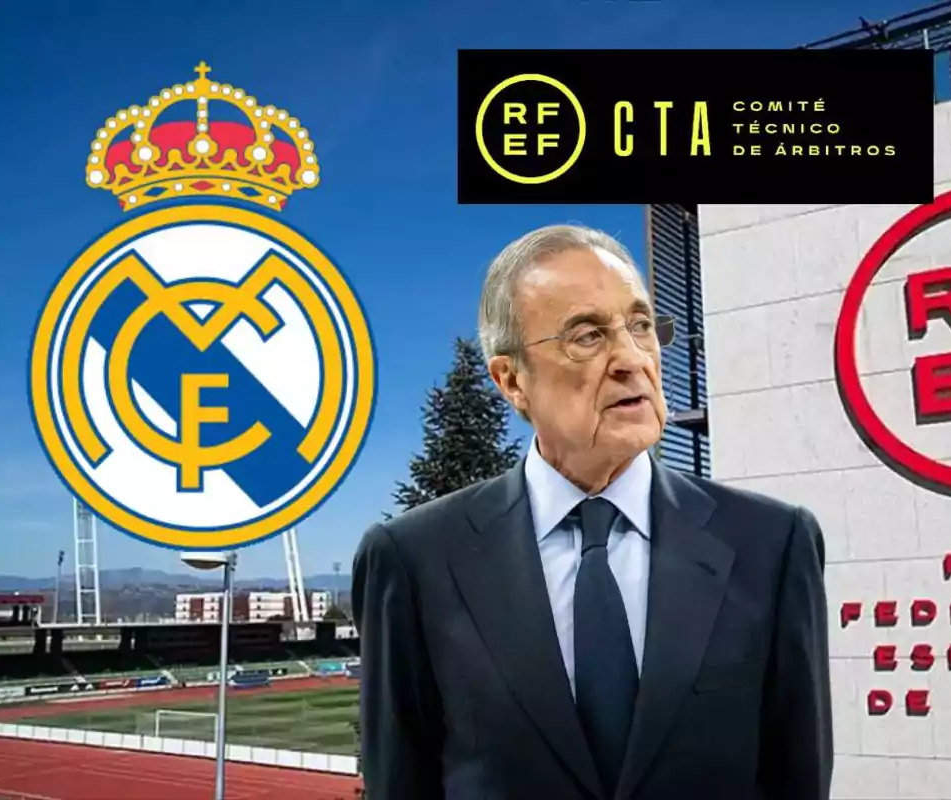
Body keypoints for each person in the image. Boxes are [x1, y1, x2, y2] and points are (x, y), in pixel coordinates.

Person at [352, 224, 832, 800]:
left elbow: (796, 779)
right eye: (586, 336)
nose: (632, 360)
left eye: (641, 326)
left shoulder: (772, 544)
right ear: (511, 380)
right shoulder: (414, 561)